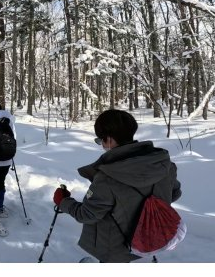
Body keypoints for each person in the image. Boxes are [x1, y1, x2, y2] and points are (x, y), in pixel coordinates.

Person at [52, 109, 181, 263]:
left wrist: (63, 201)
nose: (101, 144)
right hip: (150, 241)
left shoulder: (107, 177)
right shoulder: (164, 165)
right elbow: (174, 193)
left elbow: (87, 214)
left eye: (100, 140)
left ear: (110, 139)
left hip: (116, 251)